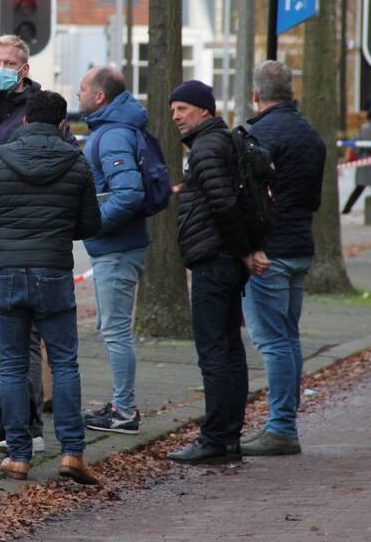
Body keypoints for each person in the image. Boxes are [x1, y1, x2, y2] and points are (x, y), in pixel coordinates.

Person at [0, 89, 101, 485]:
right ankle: (73, 453)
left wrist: (6, 231)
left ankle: (20, 456)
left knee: (11, 363)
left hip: (6, 270)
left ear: (25, 120)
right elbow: (91, 225)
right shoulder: (76, 163)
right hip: (54, 272)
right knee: (64, 363)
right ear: (63, 124)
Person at [0, 35, 78, 453]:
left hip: (35, 245)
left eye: (7, 62)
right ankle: (22, 430)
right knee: (16, 338)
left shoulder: (45, 115)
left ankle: (25, 431)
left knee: (25, 343)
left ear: (23, 69)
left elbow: (68, 170)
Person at [166, 80, 268, 465]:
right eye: (174, 109)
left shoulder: (207, 146)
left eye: (183, 109)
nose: (176, 116)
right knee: (229, 349)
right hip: (225, 257)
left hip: (215, 260)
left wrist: (243, 252)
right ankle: (228, 436)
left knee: (214, 352)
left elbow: (224, 204)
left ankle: (214, 438)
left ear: (204, 111)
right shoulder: (221, 142)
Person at [240, 61, 325, 456]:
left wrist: (248, 247)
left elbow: (248, 201)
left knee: (273, 341)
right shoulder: (312, 135)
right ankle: (285, 422)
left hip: (268, 253)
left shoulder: (257, 136)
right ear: (291, 92)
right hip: (299, 247)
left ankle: (280, 428)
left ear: (256, 95)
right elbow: (313, 198)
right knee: (288, 338)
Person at [76, 67, 151, 434]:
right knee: (112, 327)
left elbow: (130, 194)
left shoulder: (112, 136)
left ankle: (124, 411)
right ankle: (122, 405)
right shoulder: (114, 130)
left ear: (100, 96)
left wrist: (93, 224)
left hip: (117, 249)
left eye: (84, 88)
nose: (79, 93)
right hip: (117, 246)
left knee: (116, 331)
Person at [341, 107, 371, 214]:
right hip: (368, 163)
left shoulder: (370, 127)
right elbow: (368, 145)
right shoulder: (369, 128)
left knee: (362, 187)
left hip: (369, 163)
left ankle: (346, 209)